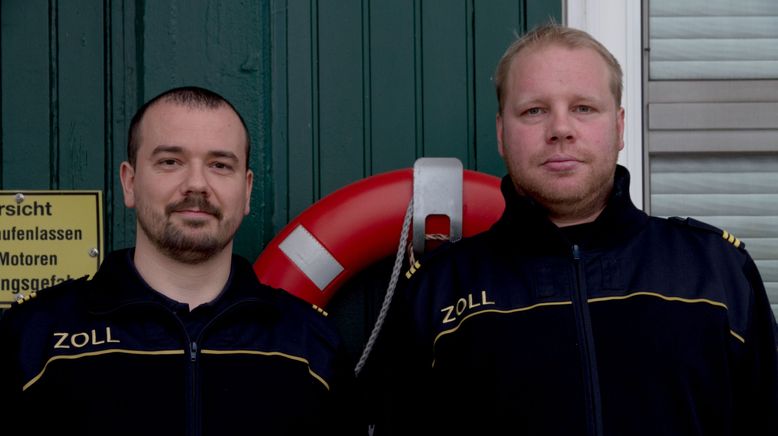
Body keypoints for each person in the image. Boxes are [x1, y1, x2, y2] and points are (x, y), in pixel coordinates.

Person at [369, 24, 778, 435]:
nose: (560, 129)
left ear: (619, 127)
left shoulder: (716, 273)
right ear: (501, 133)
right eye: (534, 110)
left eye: (583, 108)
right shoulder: (437, 290)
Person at [0, 86, 355, 435]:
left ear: (246, 191)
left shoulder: (313, 347)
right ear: (130, 182)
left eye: (219, 165)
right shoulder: (34, 337)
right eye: (170, 162)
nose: (196, 184)